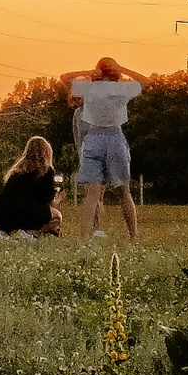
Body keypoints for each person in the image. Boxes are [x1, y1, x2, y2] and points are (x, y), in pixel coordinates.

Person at [58, 56, 147, 239]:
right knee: (124, 191)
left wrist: (89, 73)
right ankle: (133, 235)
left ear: (99, 71)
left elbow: (64, 77)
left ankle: (84, 237)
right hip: (115, 136)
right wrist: (124, 68)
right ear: (115, 72)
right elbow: (146, 82)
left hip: (93, 137)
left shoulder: (90, 88)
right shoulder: (122, 89)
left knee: (92, 193)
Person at [0, 134, 63, 240]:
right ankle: (35, 233)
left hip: (0, 214)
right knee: (56, 215)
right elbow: (47, 200)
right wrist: (56, 199)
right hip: (25, 214)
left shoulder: (17, 171)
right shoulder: (46, 172)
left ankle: (10, 234)